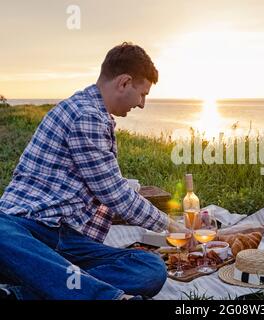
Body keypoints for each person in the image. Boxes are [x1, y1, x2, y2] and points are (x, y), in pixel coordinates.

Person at [0, 42, 185, 300]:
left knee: (149, 267)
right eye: (142, 94)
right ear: (124, 82)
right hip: (27, 227)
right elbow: (115, 194)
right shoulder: (86, 115)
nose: (142, 104)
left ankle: (22, 293)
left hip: (66, 240)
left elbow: (109, 185)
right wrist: (170, 225)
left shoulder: (98, 115)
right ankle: (108, 297)